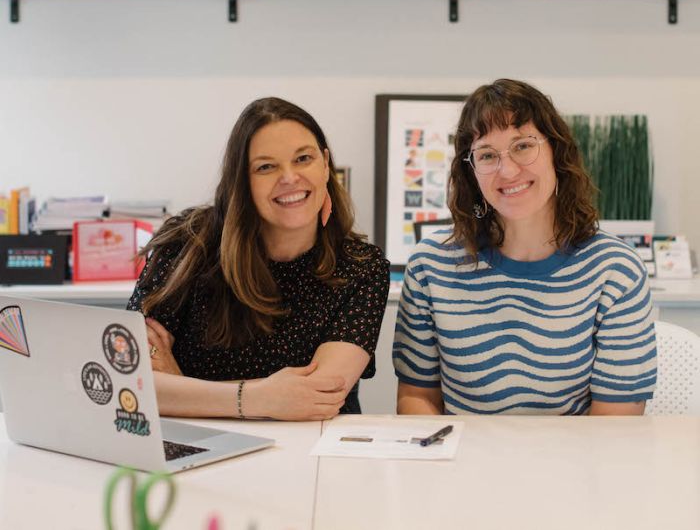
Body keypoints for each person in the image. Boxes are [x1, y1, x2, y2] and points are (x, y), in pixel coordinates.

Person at [393, 79, 657, 416]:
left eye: (522, 146)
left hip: (576, 465)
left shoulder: (616, 270)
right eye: (487, 155)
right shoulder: (430, 264)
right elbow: (417, 397)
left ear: (556, 151)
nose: (508, 170)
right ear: (471, 171)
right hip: (462, 464)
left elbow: (615, 421)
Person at [128, 97, 389, 421]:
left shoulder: (361, 267)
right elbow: (129, 378)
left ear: (325, 164)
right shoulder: (187, 244)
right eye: (266, 166)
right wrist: (258, 398)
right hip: (197, 454)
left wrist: (182, 388)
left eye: (303, 158)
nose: (289, 177)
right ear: (242, 179)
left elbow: (320, 396)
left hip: (314, 454)